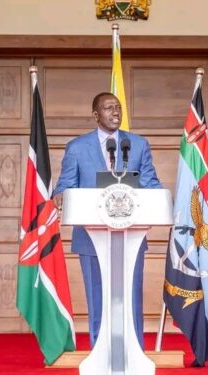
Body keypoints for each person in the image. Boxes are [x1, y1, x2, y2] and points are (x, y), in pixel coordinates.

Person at [52, 92, 162, 348]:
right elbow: (64, 186)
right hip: (91, 238)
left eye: (118, 107)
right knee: (97, 297)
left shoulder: (138, 144)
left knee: (132, 296)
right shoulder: (77, 148)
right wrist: (60, 196)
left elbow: (151, 183)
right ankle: (98, 351)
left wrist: (163, 200)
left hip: (131, 236)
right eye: (108, 108)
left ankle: (135, 351)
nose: (115, 112)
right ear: (95, 115)